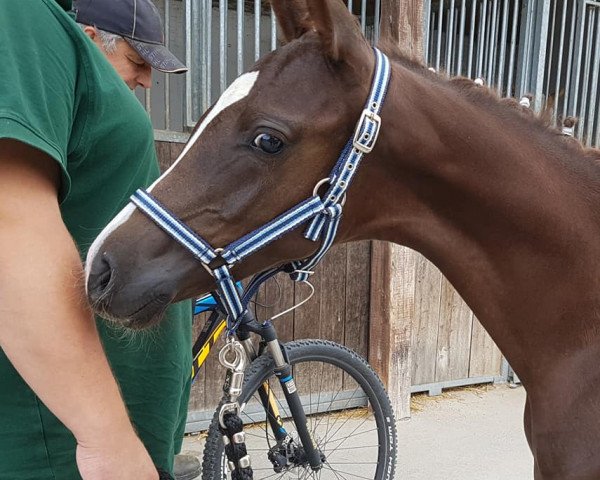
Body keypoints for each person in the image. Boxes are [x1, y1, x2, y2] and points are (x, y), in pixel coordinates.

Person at [0, 0, 194, 478]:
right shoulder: (21, 24)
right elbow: (10, 219)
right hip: (58, 446)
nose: (148, 80)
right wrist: (108, 443)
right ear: (88, 38)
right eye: (137, 61)